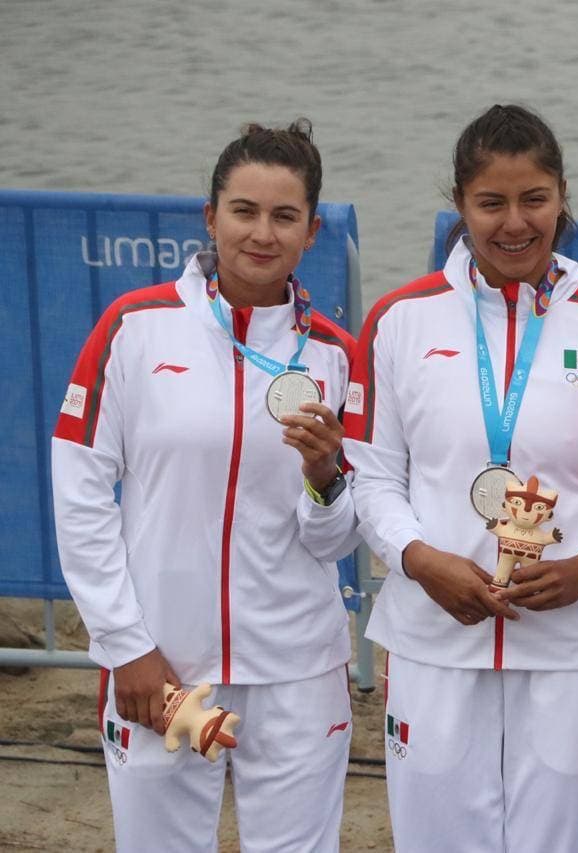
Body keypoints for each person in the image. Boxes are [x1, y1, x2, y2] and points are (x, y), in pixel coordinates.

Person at [343, 103, 578, 852]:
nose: (515, 223)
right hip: (433, 636)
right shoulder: (399, 320)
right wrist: (418, 559)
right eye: (491, 202)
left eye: (535, 199)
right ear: (460, 203)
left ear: (562, 196)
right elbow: (371, 475)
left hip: (572, 644)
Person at [51, 120, 360, 853]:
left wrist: (324, 478)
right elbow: (80, 492)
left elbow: (337, 538)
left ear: (312, 230)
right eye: (244, 210)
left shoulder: (337, 356)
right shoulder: (135, 328)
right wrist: (124, 645)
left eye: (284, 215)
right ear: (211, 216)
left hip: (298, 670)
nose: (262, 233)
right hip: (161, 662)